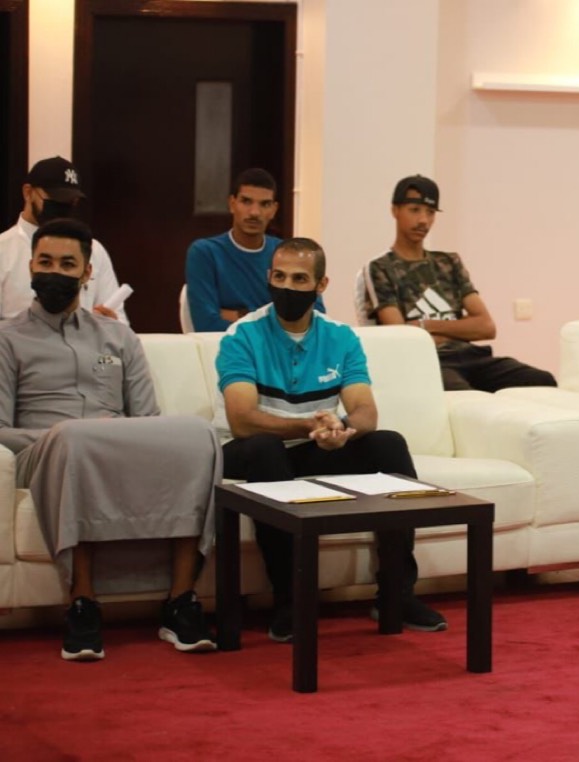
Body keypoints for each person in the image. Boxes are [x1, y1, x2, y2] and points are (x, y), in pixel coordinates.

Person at [0, 218, 219, 661]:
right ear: (31, 267)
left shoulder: (118, 336)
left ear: (87, 273)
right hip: (45, 450)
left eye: (67, 264)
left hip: (114, 446)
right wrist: (61, 436)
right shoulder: (7, 338)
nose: (55, 272)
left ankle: (181, 600)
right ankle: (83, 604)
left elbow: (147, 419)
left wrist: (105, 436)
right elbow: (1, 428)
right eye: (45, 262)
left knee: (200, 435)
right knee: (76, 439)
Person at [216, 236, 446, 642]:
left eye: (299, 279)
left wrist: (342, 430)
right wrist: (311, 426)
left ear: (321, 285)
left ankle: (397, 595)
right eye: (279, 277)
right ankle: (289, 601)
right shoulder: (242, 335)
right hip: (250, 451)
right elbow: (242, 421)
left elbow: (365, 411)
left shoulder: (341, 337)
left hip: (311, 446)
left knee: (388, 443)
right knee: (266, 450)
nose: (287, 287)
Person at [360, 174, 556, 392]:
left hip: (472, 356)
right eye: (415, 210)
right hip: (429, 360)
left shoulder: (449, 262)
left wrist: (424, 325)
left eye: (430, 212)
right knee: (465, 397)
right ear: (395, 210)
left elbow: (486, 327)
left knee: (543, 380)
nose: (423, 220)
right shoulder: (380, 268)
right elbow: (402, 336)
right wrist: (461, 328)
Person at [185, 168, 324, 332]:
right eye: (246, 201)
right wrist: (279, 320)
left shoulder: (287, 254)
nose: (254, 212)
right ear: (232, 204)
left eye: (265, 204)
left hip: (286, 348)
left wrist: (240, 314)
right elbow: (207, 325)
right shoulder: (205, 253)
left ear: (274, 210)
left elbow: (316, 318)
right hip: (228, 346)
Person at [0, 156, 126, 322]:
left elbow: (119, 320)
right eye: (55, 199)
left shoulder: (93, 250)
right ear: (28, 193)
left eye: (70, 201)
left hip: (86, 337)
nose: (62, 207)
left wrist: (110, 324)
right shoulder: (3, 251)